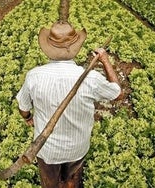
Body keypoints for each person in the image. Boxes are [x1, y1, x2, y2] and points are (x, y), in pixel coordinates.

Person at [16, 21, 122, 188]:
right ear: (76, 47)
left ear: (48, 47)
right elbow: (117, 92)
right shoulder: (91, 78)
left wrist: (28, 117)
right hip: (77, 147)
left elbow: (23, 109)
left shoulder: (33, 76)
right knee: (72, 179)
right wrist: (105, 60)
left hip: (47, 150)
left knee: (49, 183)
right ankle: (69, 183)